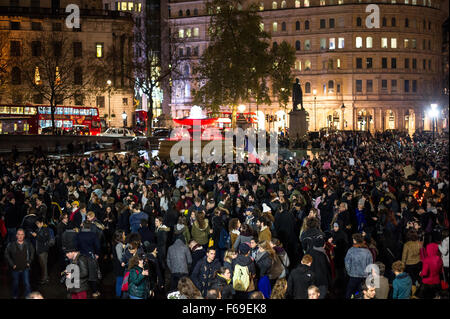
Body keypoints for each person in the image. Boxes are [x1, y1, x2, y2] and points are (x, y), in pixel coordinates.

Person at [4, 228, 35, 299]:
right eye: (19, 234)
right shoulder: (11, 244)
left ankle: (28, 296)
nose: (20, 236)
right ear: (16, 235)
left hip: (25, 268)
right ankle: (15, 296)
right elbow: (6, 254)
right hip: (15, 268)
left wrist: (29, 262)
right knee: (15, 284)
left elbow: (32, 252)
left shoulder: (28, 244)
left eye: (22, 234)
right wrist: (12, 264)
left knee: (27, 284)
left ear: (24, 235)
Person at [344, 233, 373, 299]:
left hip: (353, 276)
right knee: (362, 293)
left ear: (354, 241)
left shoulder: (351, 250)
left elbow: (347, 263)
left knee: (349, 293)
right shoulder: (368, 252)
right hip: (364, 277)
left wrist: (349, 272)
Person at [32, 218, 52, 285]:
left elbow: (44, 239)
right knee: (42, 265)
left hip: (43, 250)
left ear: (42, 223)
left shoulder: (45, 230)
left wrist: (36, 235)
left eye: (38, 223)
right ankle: (45, 278)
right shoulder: (38, 229)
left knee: (44, 265)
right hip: (39, 250)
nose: (37, 225)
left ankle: (45, 279)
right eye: (36, 224)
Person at [112, 230, 126, 298]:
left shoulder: (116, 243)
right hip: (119, 266)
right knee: (120, 281)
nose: (124, 236)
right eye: (123, 235)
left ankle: (119, 295)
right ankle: (119, 295)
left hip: (117, 265)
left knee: (119, 281)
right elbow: (120, 257)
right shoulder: (118, 245)